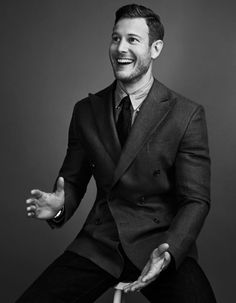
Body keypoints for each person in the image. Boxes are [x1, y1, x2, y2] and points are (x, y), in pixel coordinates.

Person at [17, 4, 217, 303]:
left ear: (156, 48)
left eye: (132, 40)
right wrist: (59, 205)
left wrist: (170, 252)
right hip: (99, 242)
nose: (120, 48)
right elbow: (72, 181)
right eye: (115, 38)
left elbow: (195, 200)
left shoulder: (186, 114)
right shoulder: (86, 111)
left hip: (158, 241)